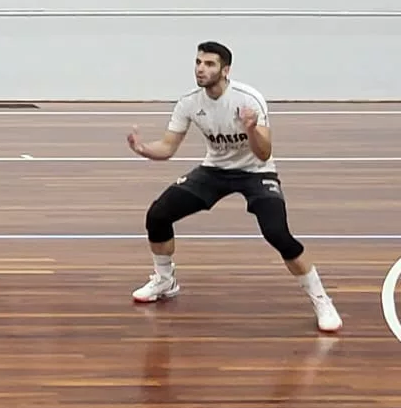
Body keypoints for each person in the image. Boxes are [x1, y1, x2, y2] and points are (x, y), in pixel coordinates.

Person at [124, 42, 341, 332]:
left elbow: (264, 153)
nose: (201, 69)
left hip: (256, 172)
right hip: (214, 170)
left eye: (209, 64)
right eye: (198, 62)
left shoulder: (249, 100)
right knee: (158, 215)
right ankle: (165, 281)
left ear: (225, 70)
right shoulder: (189, 103)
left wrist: (250, 129)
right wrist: (143, 149)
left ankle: (321, 300)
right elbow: (167, 147)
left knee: (278, 233)